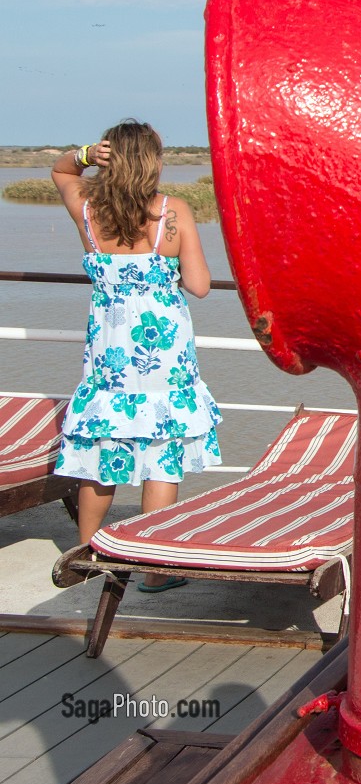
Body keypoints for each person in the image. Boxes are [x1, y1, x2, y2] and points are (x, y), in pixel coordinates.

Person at [50, 119, 222, 592]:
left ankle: (90, 557)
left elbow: (61, 171)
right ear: (152, 162)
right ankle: (152, 568)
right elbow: (201, 286)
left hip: (110, 348)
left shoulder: (86, 208)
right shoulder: (173, 211)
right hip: (164, 349)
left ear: (110, 158)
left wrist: (85, 154)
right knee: (162, 453)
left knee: (103, 446)